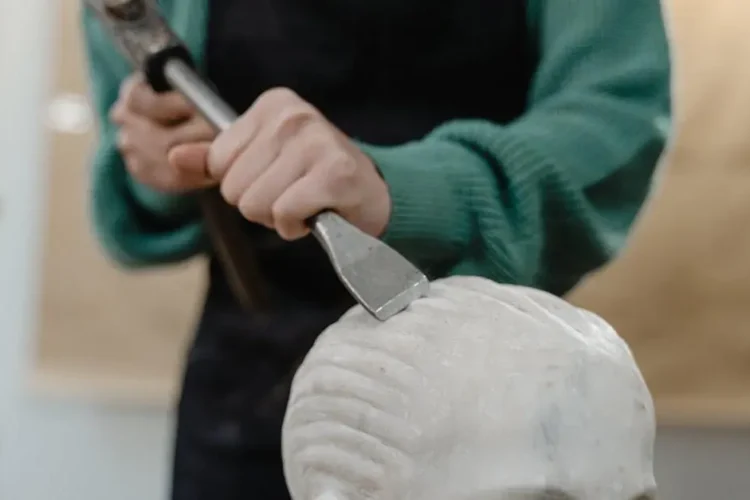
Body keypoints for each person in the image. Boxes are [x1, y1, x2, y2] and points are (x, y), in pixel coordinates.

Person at [81, 0, 670, 498]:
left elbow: (616, 115)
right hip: (246, 386)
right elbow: (132, 141)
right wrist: (160, 162)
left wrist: (410, 191)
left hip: (504, 402)